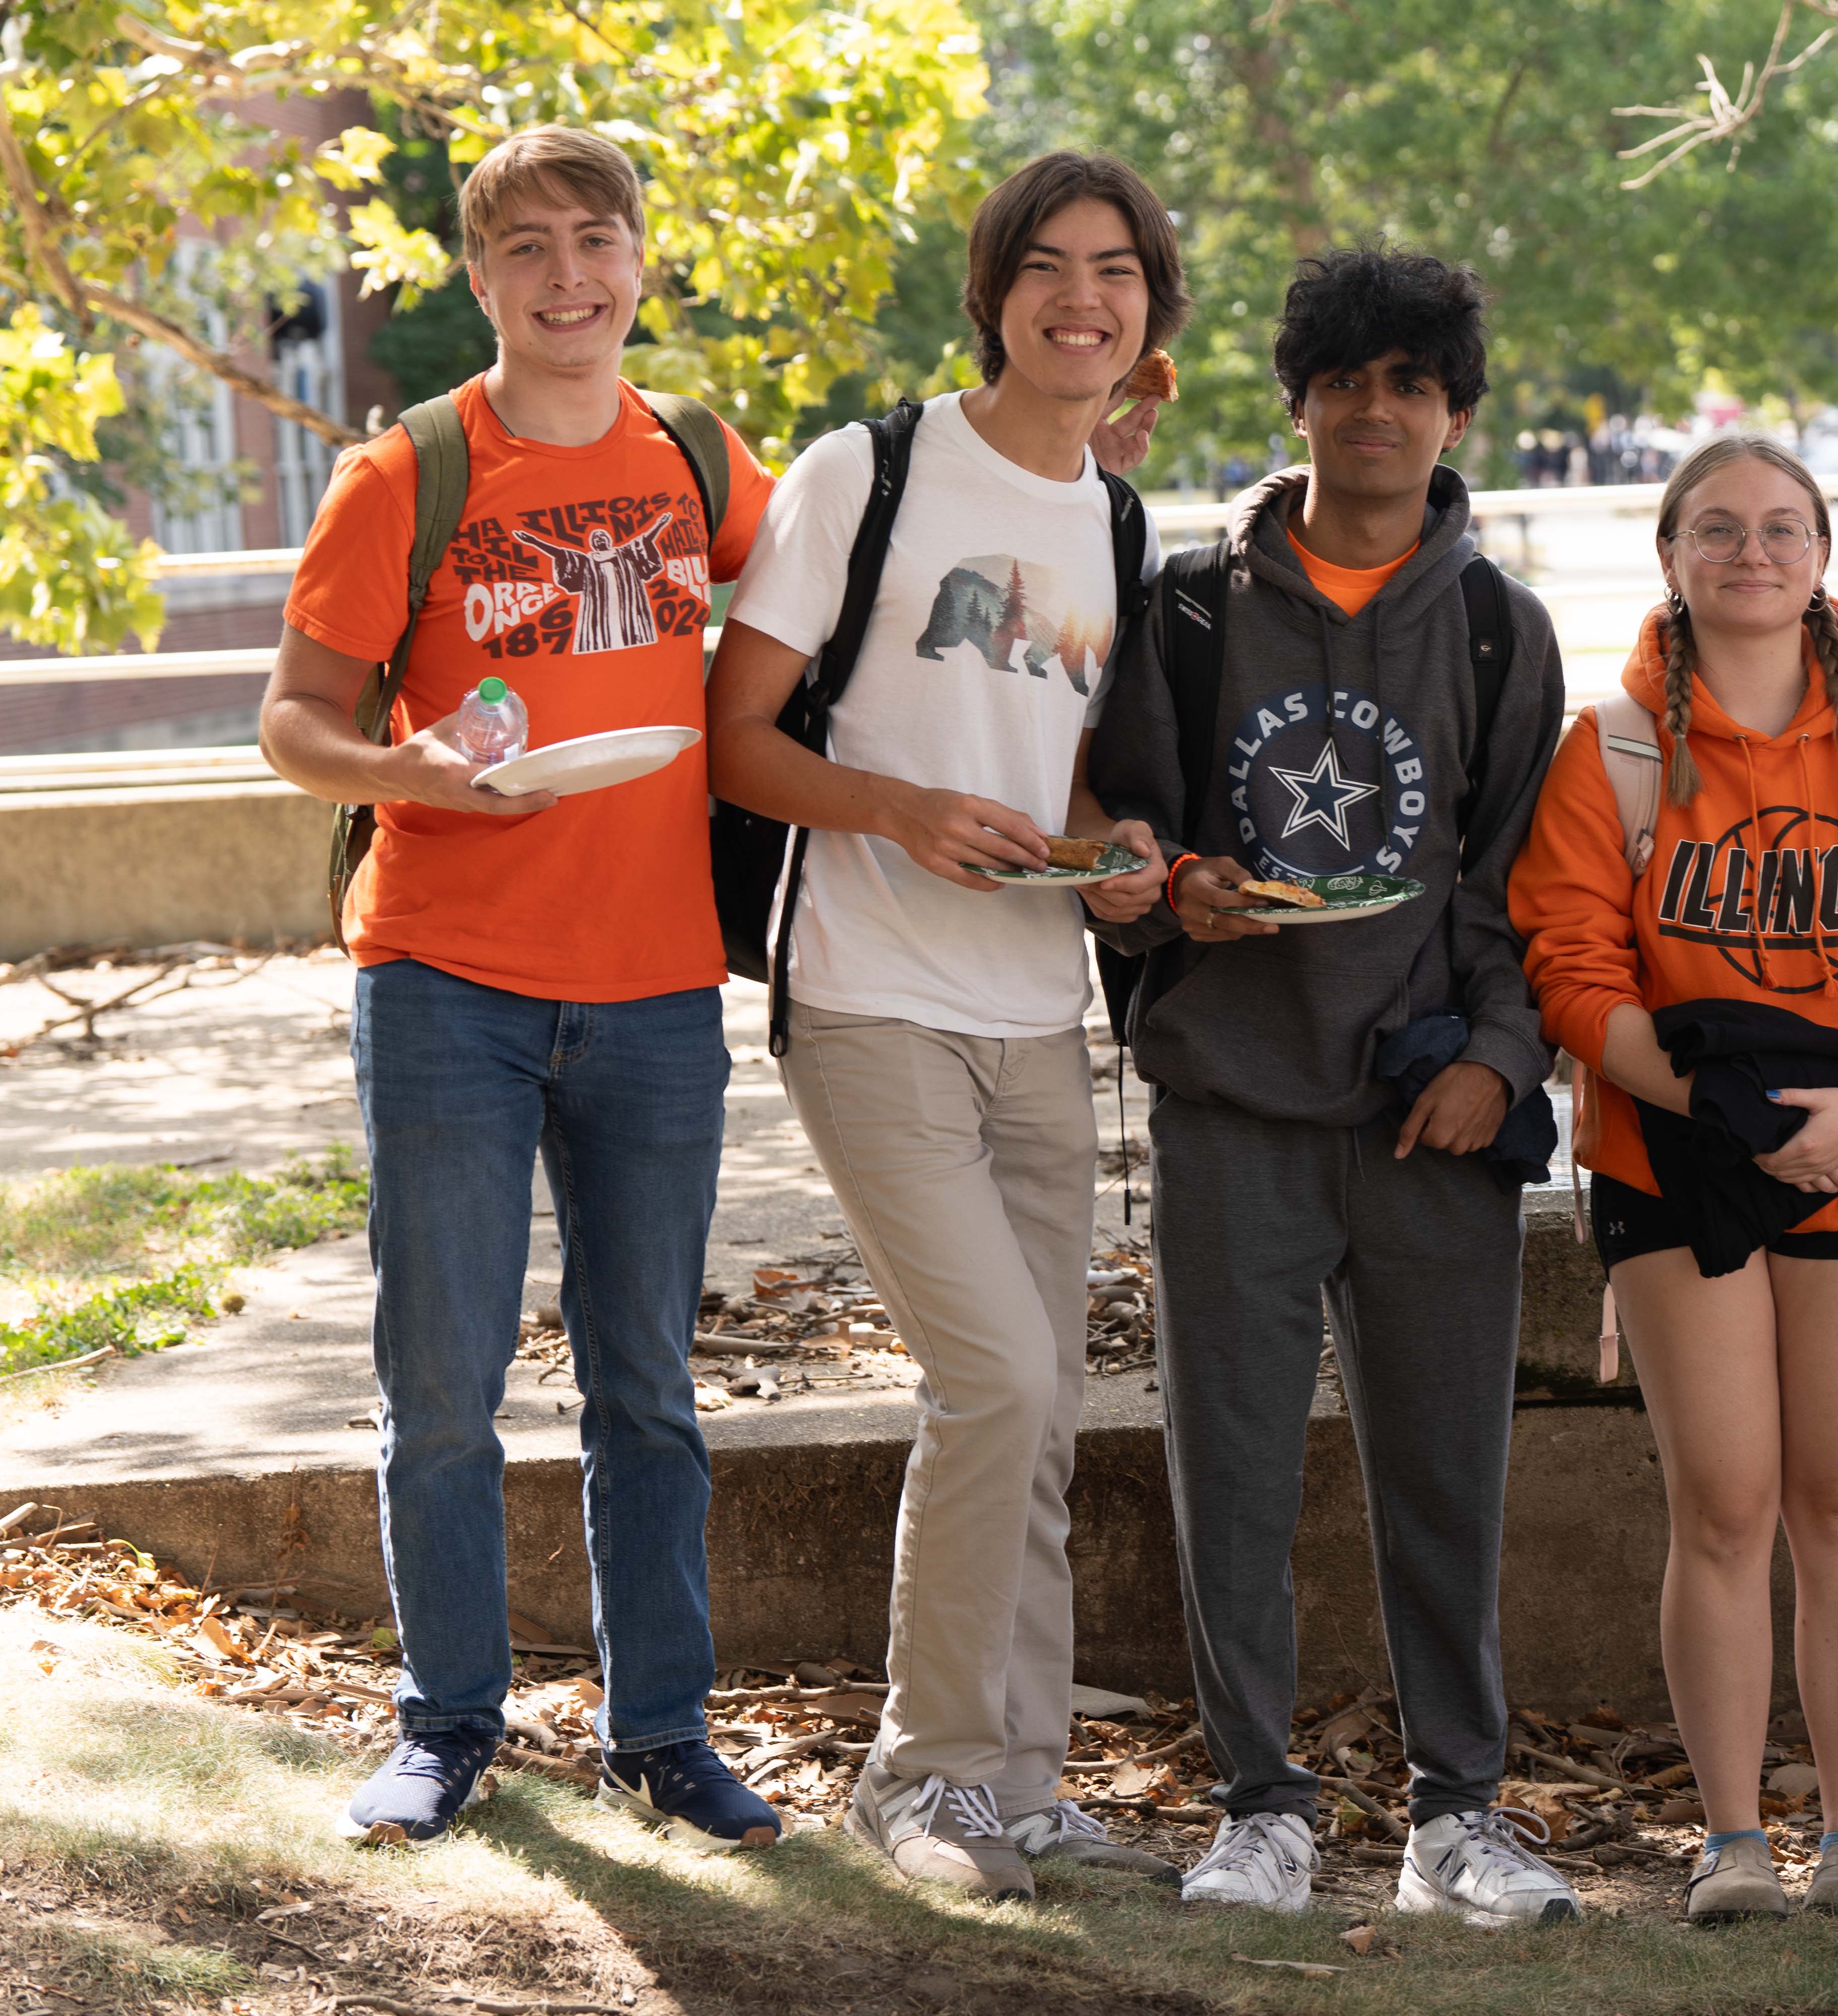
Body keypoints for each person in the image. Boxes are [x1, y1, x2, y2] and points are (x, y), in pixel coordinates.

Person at [258, 125, 780, 1850]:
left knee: (649, 1385)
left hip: (653, 993)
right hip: (447, 987)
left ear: (643, 259)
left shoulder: (702, 458)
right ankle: (447, 1725)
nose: (571, 278)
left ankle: (666, 1732)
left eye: (598, 239)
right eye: (530, 249)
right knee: (446, 1384)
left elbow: (822, 624)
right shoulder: (407, 473)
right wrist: (413, 773)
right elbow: (293, 721)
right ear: (480, 280)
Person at [703, 151, 1185, 1902]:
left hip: (1033, 1005)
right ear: (993, 293)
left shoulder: (1118, 523)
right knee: (993, 1375)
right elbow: (735, 735)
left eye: (1115, 270)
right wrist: (896, 809)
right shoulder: (872, 468)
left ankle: (1024, 1779)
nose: (1082, 296)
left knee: (1043, 1404)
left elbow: (1060, 774)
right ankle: (921, 1779)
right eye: (1047, 267)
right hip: (869, 989)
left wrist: (1114, 857)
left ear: (1150, 308)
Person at [1086, 247, 1580, 1925]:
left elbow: (1525, 888)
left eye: (1412, 385)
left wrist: (1503, 1060)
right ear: (1296, 399)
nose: (1377, 413)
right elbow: (1123, 836)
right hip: (1234, 1104)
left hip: (1428, 1116)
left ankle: (1462, 1813)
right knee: (1228, 1468)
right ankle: (1258, 1810)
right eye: (1345, 380)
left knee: (1448, 1470)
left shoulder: (1505, 634)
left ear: (1456, 415)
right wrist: (1171, 888)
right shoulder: (1196, 610)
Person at [1510, 435, 1838, 1925]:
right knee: (1723, 1498)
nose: (1751, 553)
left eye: (1783, 529)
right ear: (1670, 556)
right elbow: (1569, 965)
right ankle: (1735, 1842)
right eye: (1718, 530)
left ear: (1821, 558)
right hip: (1679, 1160)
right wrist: (1715, 1111)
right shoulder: (1613, 748)